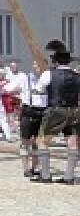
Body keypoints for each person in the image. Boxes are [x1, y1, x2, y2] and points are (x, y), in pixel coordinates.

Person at [32, 41, 80, 184]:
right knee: (72, 141)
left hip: (56, 109)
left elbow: (39, 90)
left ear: (55, 61)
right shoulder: (76, 75)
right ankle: (69, 177)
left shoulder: (49, 74)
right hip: (74, 110)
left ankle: (45, 175)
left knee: (42, 141)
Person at [17, 61, 48, 178]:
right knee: (25, 141)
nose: (36, 67)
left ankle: (34, 167)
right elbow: (10, 87)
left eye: (39, 64)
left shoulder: (49, 79)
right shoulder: (26, 78)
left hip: (42, 112)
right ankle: (26, 168)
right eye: (35, 64)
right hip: (28, 110)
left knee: (37, 142)